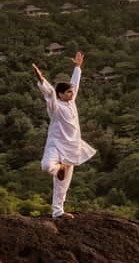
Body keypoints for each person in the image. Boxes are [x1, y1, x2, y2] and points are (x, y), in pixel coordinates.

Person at [32, 51, 96, 219]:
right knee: (46, 166)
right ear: (61, 94)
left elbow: (75, 83)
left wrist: (77, 67)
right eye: (68, 92)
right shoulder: (55, 107)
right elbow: (49, 94)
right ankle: (59, 167)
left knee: (62, 184)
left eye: (71, 92)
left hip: (72, 147)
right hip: (56, 145)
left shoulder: (71, 102)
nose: (71, 93)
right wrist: (41, 79)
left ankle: (58, 212)